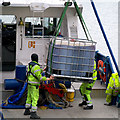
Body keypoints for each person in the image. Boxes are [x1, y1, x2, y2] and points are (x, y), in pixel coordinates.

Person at [24, 53, 54, 119]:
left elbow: (34, 72)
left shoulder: (30, 65)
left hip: (29, 84)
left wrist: (43, 70)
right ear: (37, 59)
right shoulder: (36, 66)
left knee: (29, 97)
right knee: (35, 98)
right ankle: (33, 113)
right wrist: (48, 78)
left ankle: (26, 110)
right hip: (35, 85)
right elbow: (39, 77)